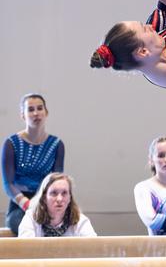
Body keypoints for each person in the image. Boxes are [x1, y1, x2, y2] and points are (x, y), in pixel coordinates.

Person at [2, 94, 65, 235]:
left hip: (47, 202)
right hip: (19, 205)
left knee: (59, 228)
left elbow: (57, 182)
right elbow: (8, 184)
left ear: (46, 112)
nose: (36, 113)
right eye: (30, 109)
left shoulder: (57, 145)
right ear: (23, 115)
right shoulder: (11, 144)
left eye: (39, 108)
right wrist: (27, 204)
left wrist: (45, 205)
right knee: (24, 227)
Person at [18, 172, 96, 237]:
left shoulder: (80, 220)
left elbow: (93, 248)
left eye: (64, 193)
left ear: (70, 198)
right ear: (44, 198)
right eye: (54, 193)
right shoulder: (31, 218)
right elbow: (26, 250)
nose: (59, 199)